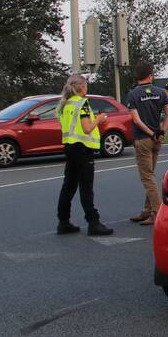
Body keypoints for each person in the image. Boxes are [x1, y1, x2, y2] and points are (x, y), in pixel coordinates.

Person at [55, 74, 114, 236]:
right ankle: (93, 222)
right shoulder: (83, 103)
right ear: (81, 87)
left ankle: (63, 221)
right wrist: (99, 119)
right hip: (83, 148)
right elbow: (87, 128)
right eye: (86, 86)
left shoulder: (65, 104)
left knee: (69, 185)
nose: (87, 89)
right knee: (86, 187)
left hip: (70, 147)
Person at [124, 61, 168, 226]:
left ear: (137, 76)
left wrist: (150, 132)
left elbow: (136, 120)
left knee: (147, 177)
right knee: (151, 174)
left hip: (143, 139)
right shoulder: (161, 93)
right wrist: (161, 131)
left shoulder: (132, 95)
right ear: (151, 75)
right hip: (157, 140)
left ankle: (157, 212)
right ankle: (146, 210)